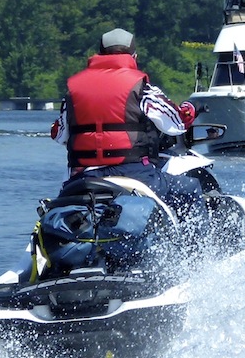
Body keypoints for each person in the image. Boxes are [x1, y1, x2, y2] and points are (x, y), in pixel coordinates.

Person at [50, 28, 206, 217]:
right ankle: (195, 246)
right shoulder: (141, 87)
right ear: (134, 56)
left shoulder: (73, 90)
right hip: (134, 174)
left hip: (84, 177)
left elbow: (59, 135)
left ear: (99, 54)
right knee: (189, 189)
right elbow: (177, 123)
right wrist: (192, 107)